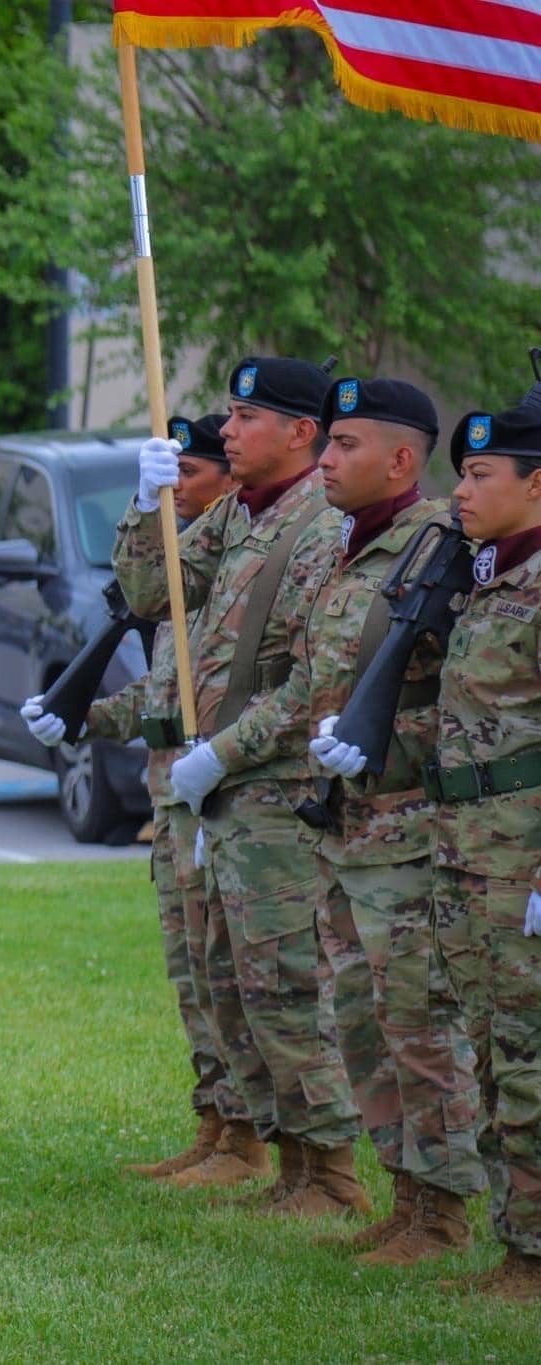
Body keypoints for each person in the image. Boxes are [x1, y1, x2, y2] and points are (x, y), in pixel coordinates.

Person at [114, 356, 371, 1217]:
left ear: (302, 433)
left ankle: (329, 1170)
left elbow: (310, 677)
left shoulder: (319, 525)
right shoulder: (236, 514)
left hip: (275, 784)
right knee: (230, 978)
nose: (227, 432)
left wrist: (223, 752)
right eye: (228, 414)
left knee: (285, 979)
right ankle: (281, 1155)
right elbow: (154, 595)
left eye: (246, 418)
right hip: (222, 789)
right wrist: (146, 508)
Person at [21, 415, 250, 1182]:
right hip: (171, 798)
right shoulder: (184, 563)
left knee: (228, 973)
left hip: (227, 793)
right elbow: (160, 693)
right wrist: (79, 715)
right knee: (190, 970)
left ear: (227, 478)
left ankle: (253, 1137)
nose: (179, 487)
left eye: (191, 472)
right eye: (170, 473)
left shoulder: (237, 560)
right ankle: (217, 1121)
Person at [290, 377, 485, 1265]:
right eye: (325, 443)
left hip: (407, 835)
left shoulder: (443, 551)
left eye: (345, 446)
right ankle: (406, 1195)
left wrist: (384, 745)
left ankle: (443, 1212)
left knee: (417, 1024)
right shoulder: (348, 548)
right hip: (344, 830)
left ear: (402, 459)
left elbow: (474, 698)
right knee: (364, 1021)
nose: (324, 460)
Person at [421, 397, 540, 1298]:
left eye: (479, 474)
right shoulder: (491, 579)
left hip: (521, 863)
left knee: (530, 1058)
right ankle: (517, 1242)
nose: (459, 490)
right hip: (470, 855)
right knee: (493, 1051)